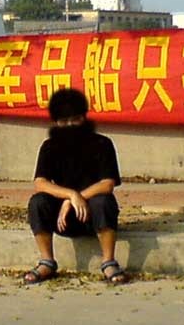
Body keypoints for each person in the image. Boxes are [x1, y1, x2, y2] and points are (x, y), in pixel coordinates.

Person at [24, 88, 126, 284]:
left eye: (74, 120)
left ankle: (108, 262)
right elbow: (40, 183)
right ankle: (47, 261)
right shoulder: (49, 147)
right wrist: (70, 195)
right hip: (62, 220)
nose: (69, 126)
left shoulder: (102, 144)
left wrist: (77, 199)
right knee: (38, 202)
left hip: (92, 215)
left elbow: (107, 184)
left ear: (84, 118)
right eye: (63, 122)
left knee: (103, 201)